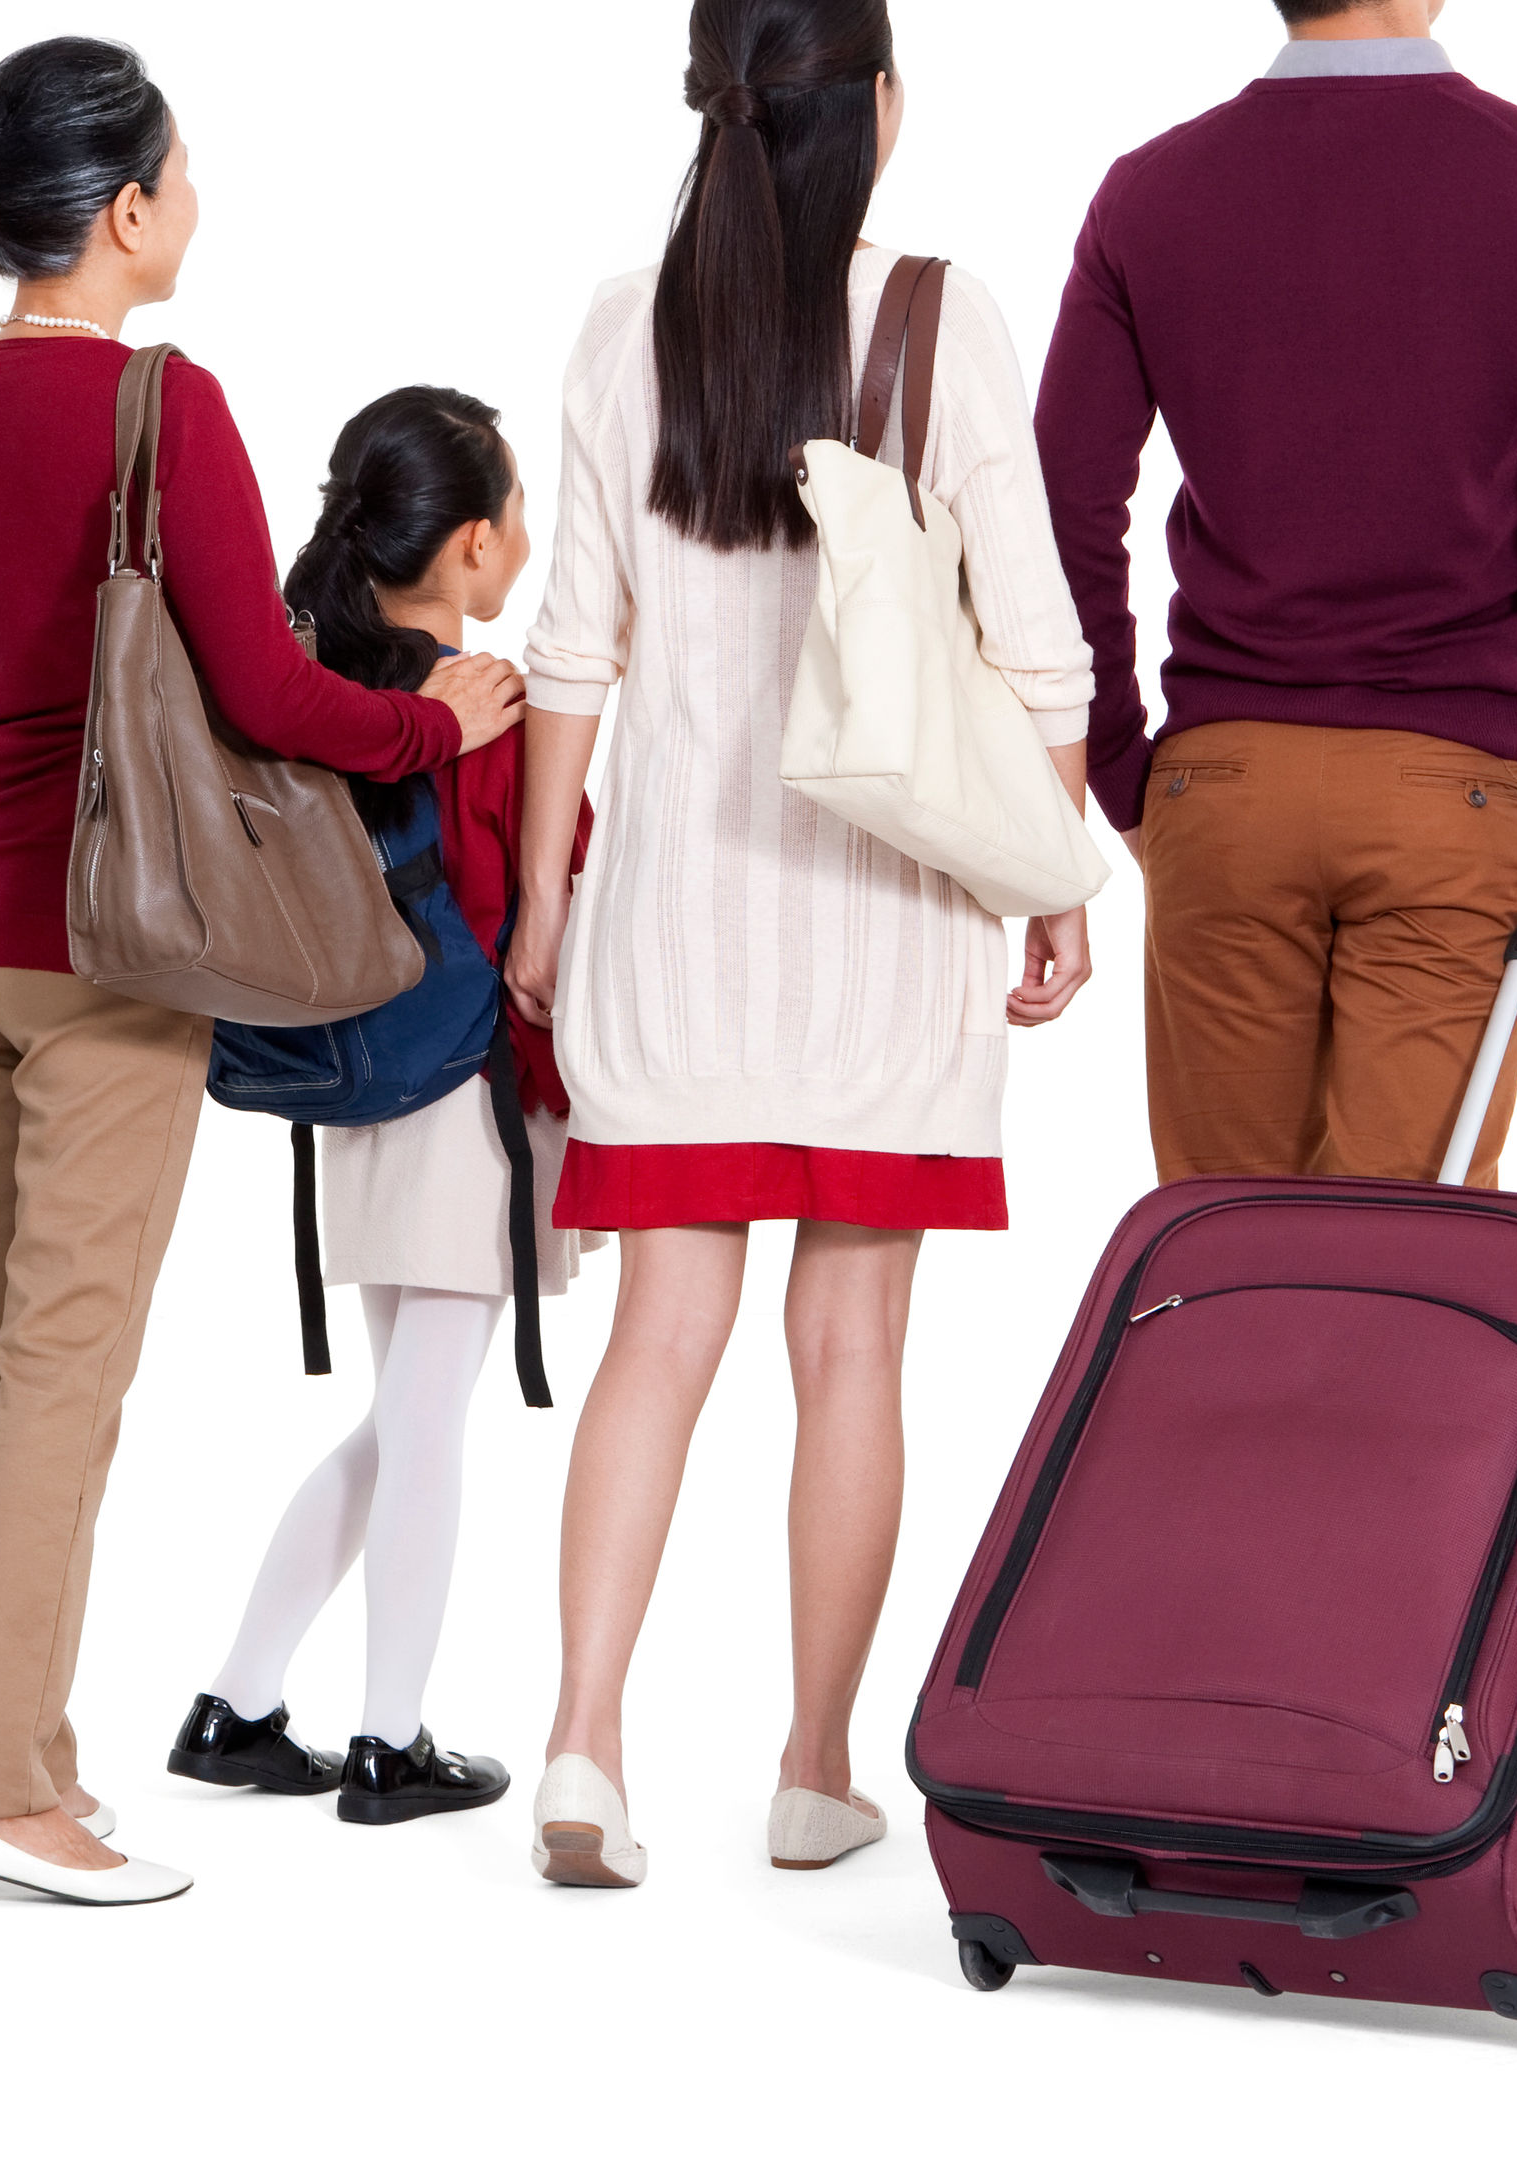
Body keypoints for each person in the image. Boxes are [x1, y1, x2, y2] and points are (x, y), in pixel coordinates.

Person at [0, 38, 528, 1907]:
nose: (197, 203)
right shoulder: (163, 406)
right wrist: (438, 725)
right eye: (185, 173)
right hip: (111, 949)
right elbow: (265, 694)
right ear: (132, 205)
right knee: (63, 1373)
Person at [506, 0, 1099, 1888]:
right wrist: (1060, 876)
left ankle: (584, 1747)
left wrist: (538, 903)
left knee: (659, 1344)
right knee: (852, 1351)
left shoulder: (627, 328)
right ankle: (814, 1766)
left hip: (670, 939)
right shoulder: (939, 320)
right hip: (886, 939)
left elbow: (570, 655)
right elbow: (1035, 644)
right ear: (879, 111)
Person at [1037, 0, 1517, 1187]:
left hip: (1224, 791)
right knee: (1406, 1278)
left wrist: (1123, 771)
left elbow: (1063, 513)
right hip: (1454, 793)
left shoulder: (1151, 192)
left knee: (1230, 1266)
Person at [169, 388, 601, 1829]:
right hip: (467, 1094)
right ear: (474, 547)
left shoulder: (322, 694)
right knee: (423, 1430)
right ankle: (388, 1739)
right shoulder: (478, 709)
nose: (529, 539)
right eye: (519, 515)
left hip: (354, 1096)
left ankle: (238, 1702)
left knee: (399, 1420)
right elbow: (535, 898)